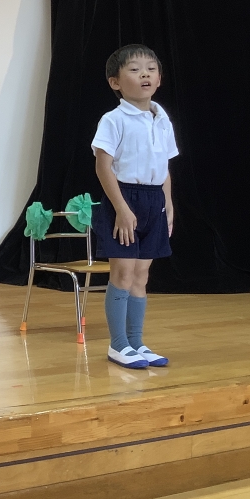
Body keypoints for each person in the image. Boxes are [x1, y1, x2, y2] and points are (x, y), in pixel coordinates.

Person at [92, 44, 177, 369]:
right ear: (115, 82)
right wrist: (122, 208)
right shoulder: (113, 120)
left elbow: (164, 167)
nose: (145, 74)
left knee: (141, 275)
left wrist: (168, 204)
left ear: (159, 78)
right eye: (135, 69)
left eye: (151, 69)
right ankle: (118, 345)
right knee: (123, 273)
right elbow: (103, 166)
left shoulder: (162, 119)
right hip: (124, 198)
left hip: (154, 200)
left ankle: (136, 342)